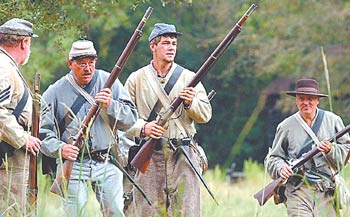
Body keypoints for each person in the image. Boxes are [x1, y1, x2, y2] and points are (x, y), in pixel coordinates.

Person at [40, 40, 138, 217]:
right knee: (75, 213)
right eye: (82, 63)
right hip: (74, 163)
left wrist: (110, 105)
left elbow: (131, 118)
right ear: (70, 64)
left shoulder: (110, 81)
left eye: (91, 62)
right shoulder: (53, 92)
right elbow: (43, 133)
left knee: (115, 212)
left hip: (106, 159)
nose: (87, 68)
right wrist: (60, 148)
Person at [124, 23, 212, 217]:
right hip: (150, 156)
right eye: (165, 43)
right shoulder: (136, 79)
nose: (171, 47)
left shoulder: (190, 77)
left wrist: (190, 103)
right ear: (153, 46)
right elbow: (123, 118)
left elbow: (205, 114)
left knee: (187, 211)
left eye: (173, 43)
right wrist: (144, 127)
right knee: (148, 211)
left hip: (184, 153)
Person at [264, 78, 350, 216]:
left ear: (317, 100)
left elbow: (347, 151)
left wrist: (331, 150)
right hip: (298, 191)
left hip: (326, 191)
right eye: (301, 98)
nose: (306, 102)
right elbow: (274, 158)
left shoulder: (333, 120)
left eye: (310, 98)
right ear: (296, 100)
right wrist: (281, 168)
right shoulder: (285, 126)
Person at [0, 18, 41, 215]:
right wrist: (23, 138)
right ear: (24, 42)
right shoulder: (3, 67)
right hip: (8, 154)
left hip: (11, 151)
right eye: (29, 43)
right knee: (12, 209)